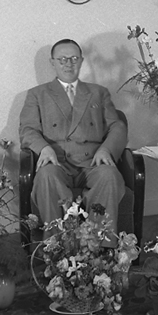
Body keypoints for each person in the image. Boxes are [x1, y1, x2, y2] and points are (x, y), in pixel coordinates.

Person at [19, 39, 127, 240]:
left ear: (81, 61)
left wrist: (106, 149)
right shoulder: (37, 94)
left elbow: (117, 126)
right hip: (56, 161)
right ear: (52, 62)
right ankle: (57, 246)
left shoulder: (98, 92)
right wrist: (43, 148)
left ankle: (100, 246)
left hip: (92, 162)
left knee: (109, 175)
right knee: (46, 176)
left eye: (74, 58)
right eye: (62, 59)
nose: (68, 64)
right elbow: (27, 129)